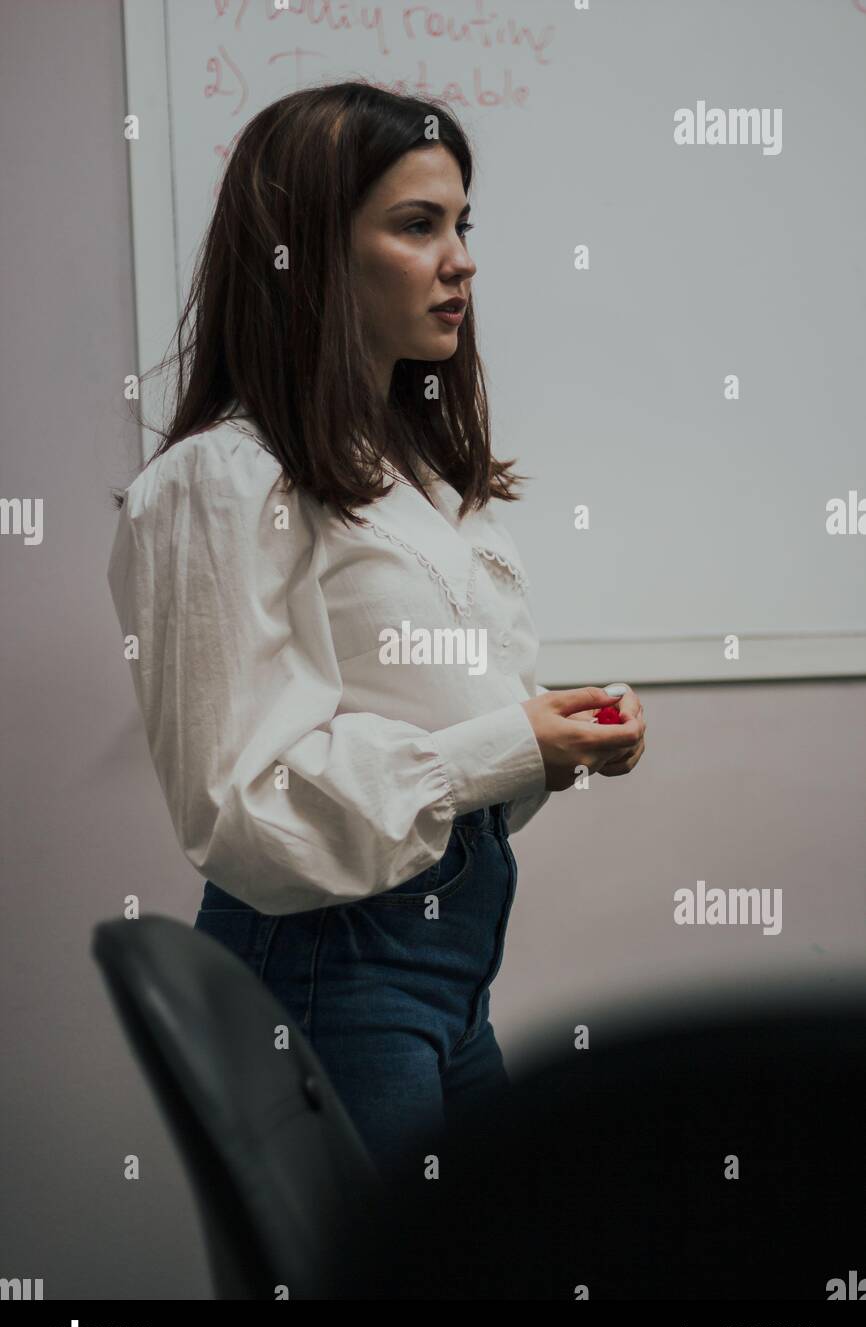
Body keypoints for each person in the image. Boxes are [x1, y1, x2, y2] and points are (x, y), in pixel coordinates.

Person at [107, 81, 646, 1182]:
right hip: (332, 966)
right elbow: (241, 809)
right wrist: (509, 744)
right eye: (415, 226)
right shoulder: (221, 482)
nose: (460, 260)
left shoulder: (409, 478)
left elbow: (442, 745)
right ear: (302, 255)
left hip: (443, 976)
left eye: (461, 224)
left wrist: (553, 734)